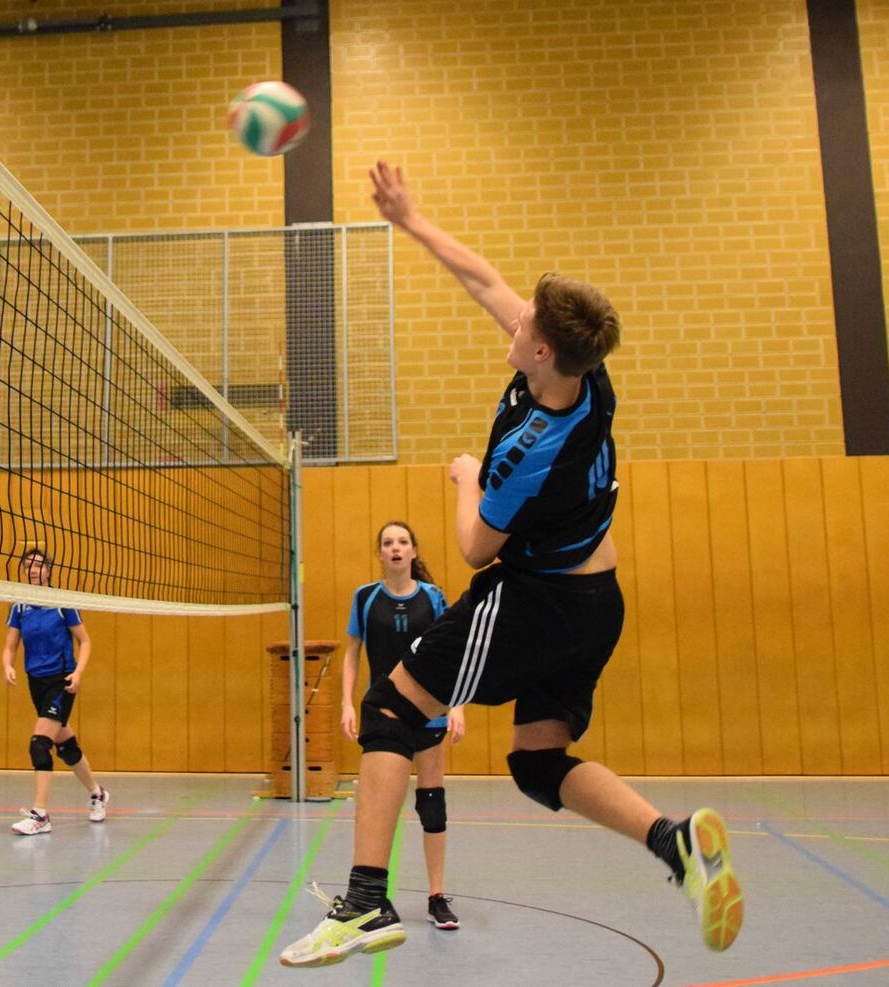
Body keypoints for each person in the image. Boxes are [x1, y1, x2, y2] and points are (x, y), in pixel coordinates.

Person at [280, 163, 743, 967]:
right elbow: (484, 278)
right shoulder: (582, 378)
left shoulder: (534, 449)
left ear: (538, 347)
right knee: (536, 761)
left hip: (535, 598)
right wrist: (410, 220)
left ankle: (364, 901)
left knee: (393, 707)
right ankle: (673, 844)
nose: (514, 313)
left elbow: (473, 548)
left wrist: (465, 477)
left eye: (526, 318)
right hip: (598, 601)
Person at [341, 521, 463, 930]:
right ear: (379, 554)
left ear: (413, 552)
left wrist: (457, 706)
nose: (395, 548)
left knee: (432, 803)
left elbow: (452, 654)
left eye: (403, 542)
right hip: (384, 716)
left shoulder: (433, 598)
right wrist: (346, 703)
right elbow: (352, 655)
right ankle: (373, 896)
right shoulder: (364, 598)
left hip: (429, 711)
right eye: (388, 543)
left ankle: (436, 896)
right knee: (380, 806)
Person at [0, 547, 109, 835]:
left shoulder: (62, 602)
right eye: (28, 566)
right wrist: (7, 665)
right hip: (35, 682)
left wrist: (78, 672)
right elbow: (11, 644)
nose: (33, 569)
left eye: (38, 565)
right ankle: (98, 793)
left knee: (39, 744)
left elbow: (84, 641)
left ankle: (40, 814)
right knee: (66, 747)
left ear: (49, 570)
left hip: (62, 681)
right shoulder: (19, 606)